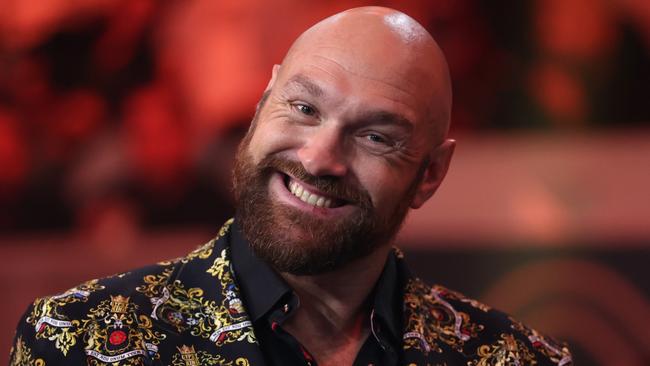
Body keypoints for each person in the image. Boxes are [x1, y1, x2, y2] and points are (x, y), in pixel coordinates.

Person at [9, 7, 572, 366]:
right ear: (261, 105)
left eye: (376, 137)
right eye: (303, 108)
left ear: (430, 175)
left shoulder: (514, 359)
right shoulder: (75, 343)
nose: (320, 157)